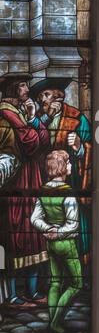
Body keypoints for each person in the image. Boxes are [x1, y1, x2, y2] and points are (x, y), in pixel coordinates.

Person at [0, 73, 50, 305]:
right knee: (18, 236)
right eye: (22, 85)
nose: (26, 89)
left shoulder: (20, 111)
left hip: (29, 179)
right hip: (17, 183)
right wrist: (33, 120)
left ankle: (31, 292)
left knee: (32, 234)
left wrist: (32, 119)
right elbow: (31, 143)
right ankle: (13, 296)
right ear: (12, 89)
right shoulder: (7, 113)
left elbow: (44, 139)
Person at [30, 78, 91, 264]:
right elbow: (31, 146)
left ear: (59, 96)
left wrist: (81, 147)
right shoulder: (38, 120)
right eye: (40, 97)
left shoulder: (77, 117)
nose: (42, 100)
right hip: (43, 182)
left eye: (46, 95)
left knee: (75, 221)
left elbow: (94, 150)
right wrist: (46, 119)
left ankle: (80, 263)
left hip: (71, 182)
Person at [30, 150, 82, 333]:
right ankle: (56, 322)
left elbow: (34, 218)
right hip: (66, 244)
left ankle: (52, 322)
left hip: (50, 244)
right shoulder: (68, 193)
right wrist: (58, 232)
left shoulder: (43, 191)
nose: (70, 166)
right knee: (77, 284)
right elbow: (74, 225)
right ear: (61, 168)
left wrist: (47, 229)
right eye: (68, 163)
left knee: (55, 282)